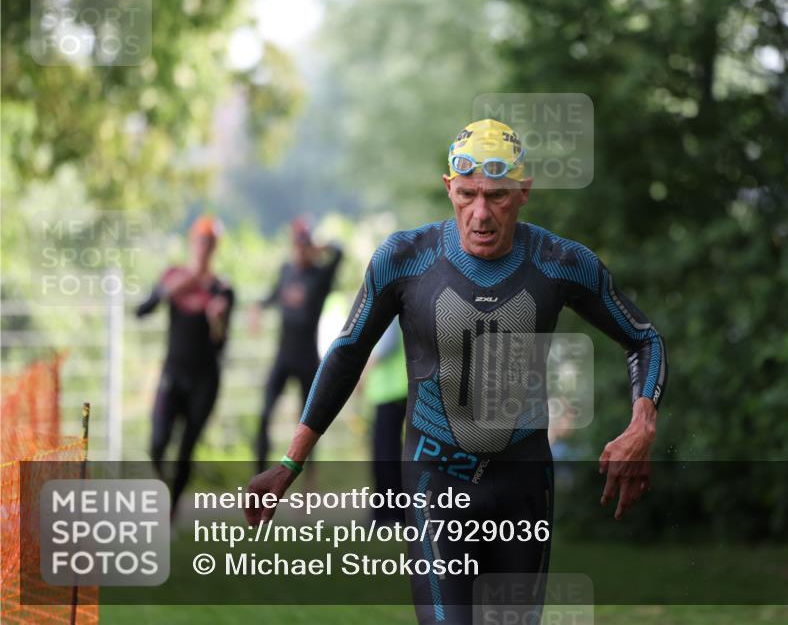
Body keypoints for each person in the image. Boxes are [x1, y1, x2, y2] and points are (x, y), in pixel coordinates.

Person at [245, 119, 667, 624]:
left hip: (523, 483)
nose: (480, 214)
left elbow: (644, 338)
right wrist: (289, 464)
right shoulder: (405, 259)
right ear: (449, 188)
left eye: (497, 196)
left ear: (524, 192)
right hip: (435, 481)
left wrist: (642, 424)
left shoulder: (560, 263)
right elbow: (347, 353)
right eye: (467, 194)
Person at [137, 215, 234, 517]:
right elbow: (143, 310)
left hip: (204, 380)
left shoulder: (222, 289)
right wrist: (176, 287)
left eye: (210, 242)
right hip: (173, 374)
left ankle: (170, 513)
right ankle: (159, 490)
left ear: (215, 247)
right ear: (192, 242)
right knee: (157, 441)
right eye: (201, 240)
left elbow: (221, 345)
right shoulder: (174, 277)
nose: (204, 247)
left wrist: (216, 321)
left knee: (186, 450)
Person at [251, 217, 342, 473]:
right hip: (283, 357)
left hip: (307, 359)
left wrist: (321, 246)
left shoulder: (320, 276)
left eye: (304, 243)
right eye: (297, 243)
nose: (300, 249)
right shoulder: (286, 271)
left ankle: (309, 481)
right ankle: (257, 475)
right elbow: (273, 295)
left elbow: (340, 252)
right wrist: (257, 308)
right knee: (265, 415)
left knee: (309, 425)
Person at [363, 317, 408, 525]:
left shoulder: (388, 301)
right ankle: (383, 513)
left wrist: (361, 371)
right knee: (382, 453)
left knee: (387, 454)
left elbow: (387, 344)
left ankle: (394, 513)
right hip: (383, 391)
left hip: (393, 389)